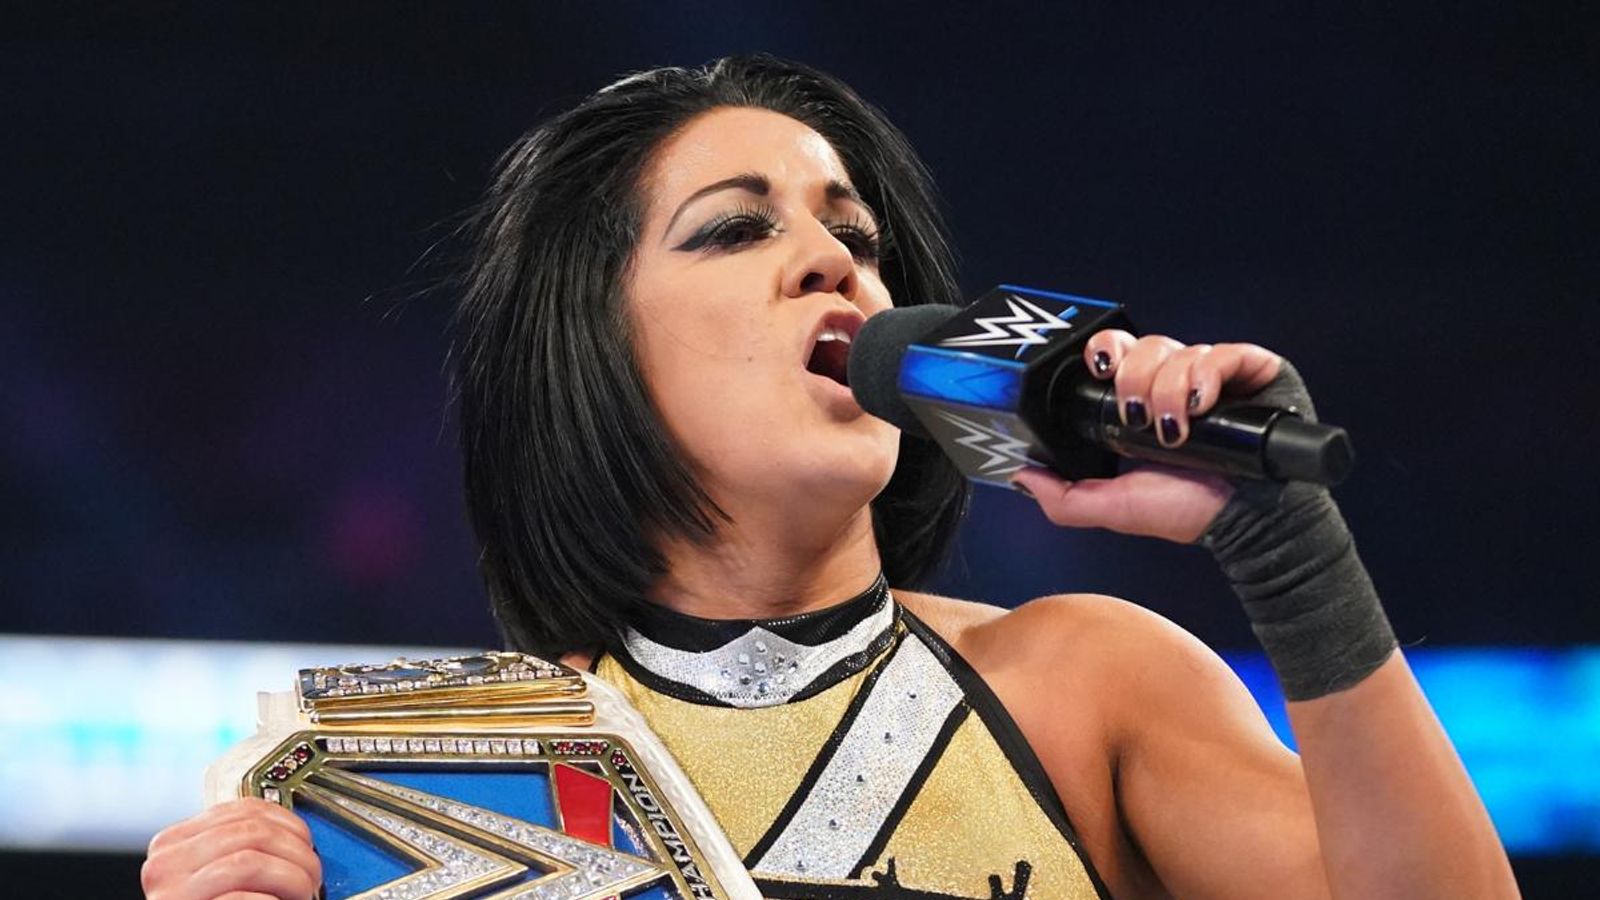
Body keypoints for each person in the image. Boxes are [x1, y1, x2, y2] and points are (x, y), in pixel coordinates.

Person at [141, 55, 1518, 900]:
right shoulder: (423, 791)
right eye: (734, 230)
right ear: (589, 350)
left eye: (854, 235)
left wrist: (1289, 553)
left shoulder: (1086, 685)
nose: (834, 262)